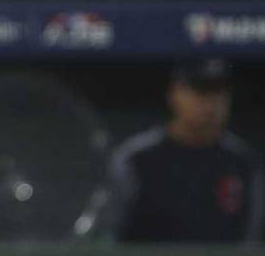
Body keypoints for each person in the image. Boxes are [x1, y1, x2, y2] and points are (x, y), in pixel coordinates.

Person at [105, 60, 264, 243]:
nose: (211, 103)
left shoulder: (243, 161)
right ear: (174, 96)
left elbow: (251, 240)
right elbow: (111, 235)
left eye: (219, 94)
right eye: (201, 92)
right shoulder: (137, 159)